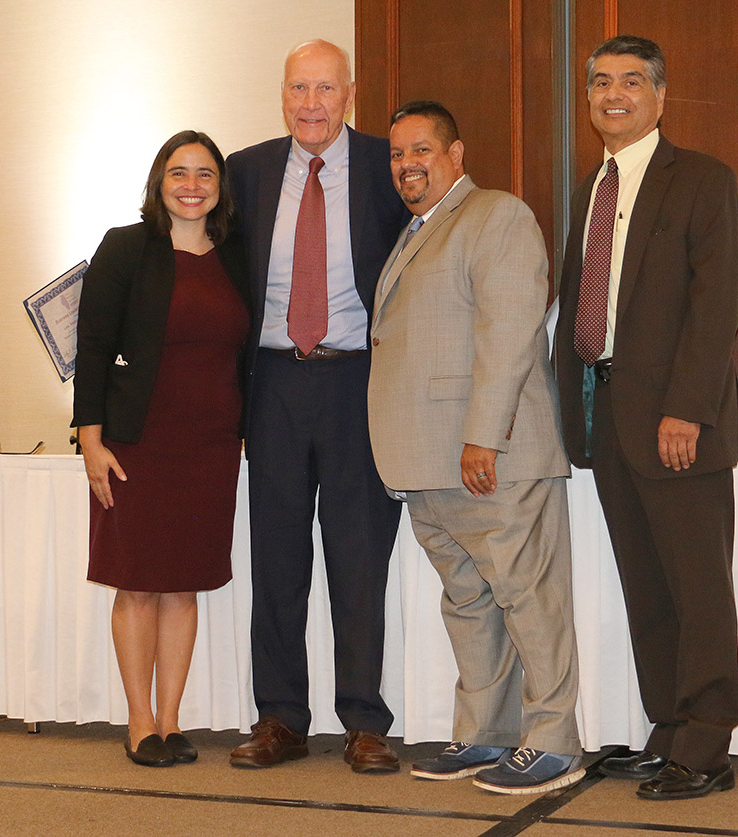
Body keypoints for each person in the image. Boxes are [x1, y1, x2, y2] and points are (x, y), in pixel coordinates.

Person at [555, 35, 738, 800]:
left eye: (631, 82)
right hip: (609, 425)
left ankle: (707, 743)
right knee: (648, 587)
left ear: (660, 96)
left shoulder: (701, 180)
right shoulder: (591, 188)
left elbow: (717, 306)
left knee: (699, 589)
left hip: (679, 429)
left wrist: (686, 411)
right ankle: (670, 728)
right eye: (600, 82)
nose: (613, 94)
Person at [368, 100, 583, 795]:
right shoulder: (414, 232)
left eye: (422, 150)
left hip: (491, 456)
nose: (408, 164)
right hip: (428, 462)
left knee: (527, 596)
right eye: (398, 154)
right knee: (469, 600)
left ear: (456, 154)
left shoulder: (497, 215)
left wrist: (483, 436)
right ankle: (486, 731)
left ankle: (553, 740)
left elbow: (511, 329)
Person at [226, 39, 408, 773]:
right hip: (271, 384)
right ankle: (280, 717)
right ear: (281, 94)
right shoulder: (243, 170)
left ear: (350, 93)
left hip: (358, 381)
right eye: (298, 88)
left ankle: (363, 718)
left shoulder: (387, 168)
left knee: (359, 554)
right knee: (276, 558)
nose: (310, 103)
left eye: (325, 90)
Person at [72, 130, 250, 766]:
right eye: (180, 173)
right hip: (136, 442)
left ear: (219, 187)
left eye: (205, 174)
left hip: (210, 445)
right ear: (159, 181)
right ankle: (140, 723)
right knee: (139, 585)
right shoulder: (126, 248)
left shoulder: (235, 255)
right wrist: (89, 438)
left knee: (184, 586)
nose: (192, 186)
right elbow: (91, 345)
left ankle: (172, 722)